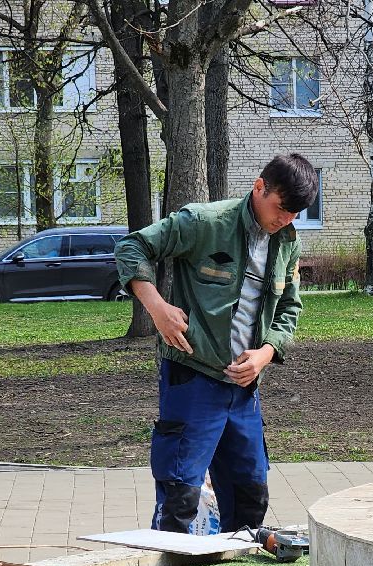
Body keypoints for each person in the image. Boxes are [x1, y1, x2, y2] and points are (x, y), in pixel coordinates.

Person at [115, 154, 318, 532]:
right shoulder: (204, 222)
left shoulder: (288, 242)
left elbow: (289, 307)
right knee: (180, 500)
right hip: (193, 378)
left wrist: (266, 353)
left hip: (244, 390)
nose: (286, 220)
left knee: (250, 497)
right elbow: (131, 247)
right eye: (281, 208)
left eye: (295, 213)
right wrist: (157, 308)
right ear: (259, 187)